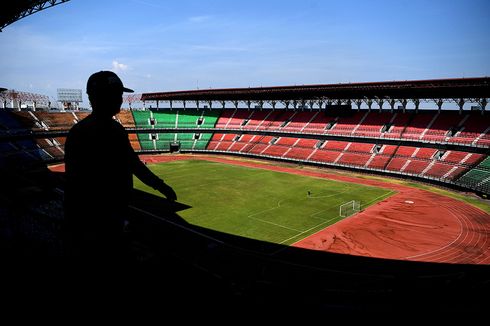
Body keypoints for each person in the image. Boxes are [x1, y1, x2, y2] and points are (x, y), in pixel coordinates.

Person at [63, 70, 177, 263]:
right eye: (116, 95)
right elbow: (79, 186)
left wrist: (160, 185)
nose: (120, 100)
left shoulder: (83, 131)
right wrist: (160, 186)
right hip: (100, 223)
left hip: (103, 219)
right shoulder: (104, 132)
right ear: (99, 97)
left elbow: (133, 164)